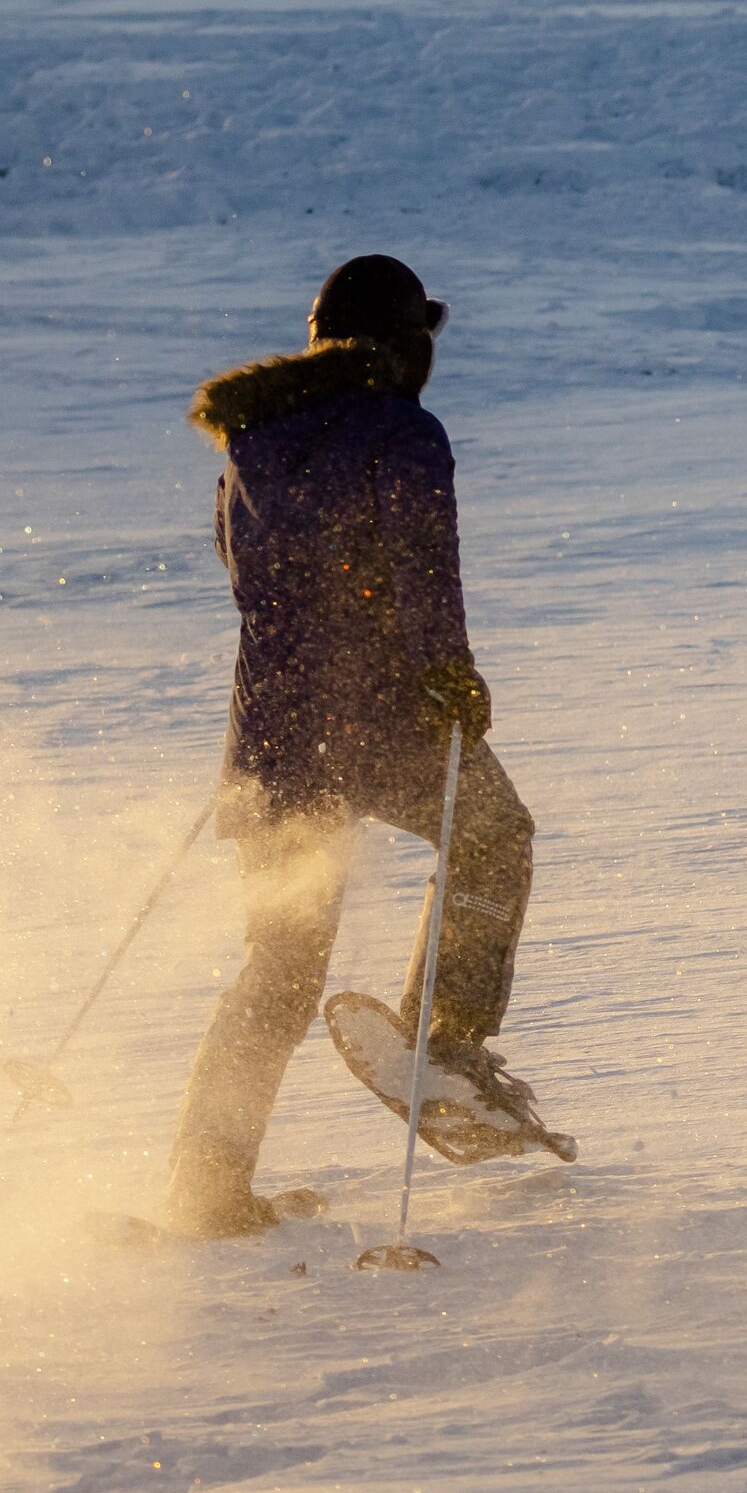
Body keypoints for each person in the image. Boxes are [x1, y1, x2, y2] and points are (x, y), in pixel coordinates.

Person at [164, 253, 537, 1238]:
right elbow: (419, 564)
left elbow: (250, 580)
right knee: (494, 835)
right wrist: (447, 672)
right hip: (377, 715)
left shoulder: (248, 443)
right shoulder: (402, 433)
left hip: (272, 735)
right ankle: (443, 1044)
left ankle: (203, 1185)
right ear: (398, 342)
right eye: (424, 336)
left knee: (280, 964)